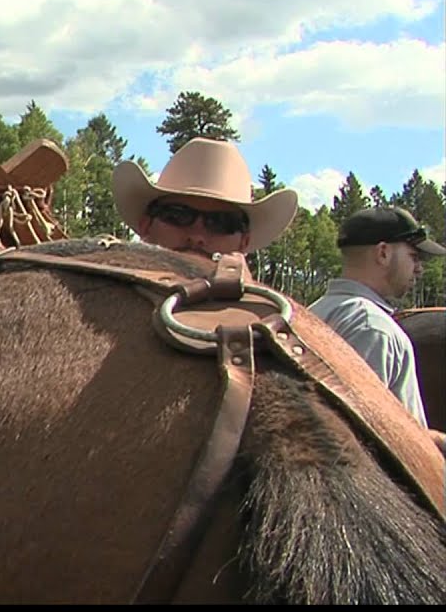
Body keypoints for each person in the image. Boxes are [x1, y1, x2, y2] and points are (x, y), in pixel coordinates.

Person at [308, 207, 445, 427]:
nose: (419, 269)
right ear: (383, 253)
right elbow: (362, 433)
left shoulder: (313, 312)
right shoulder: (372, 327)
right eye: (413, 256)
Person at [111, 137, 299, 258]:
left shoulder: (267, 317)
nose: (197, 236)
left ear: (244, 242)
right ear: (146, 225)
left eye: (221, 223)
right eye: (178, 216)